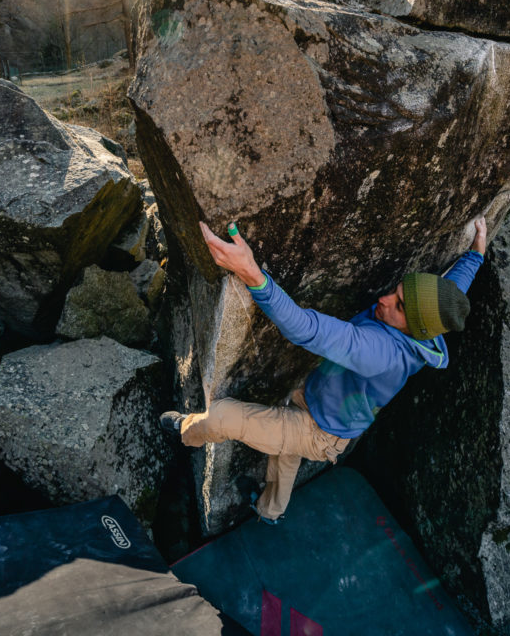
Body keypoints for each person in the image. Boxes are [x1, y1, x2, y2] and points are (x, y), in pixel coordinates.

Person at [161, 216, 488, 525]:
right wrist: (477, 252)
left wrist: (251, 273)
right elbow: (453, 290)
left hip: (320, 433)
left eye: (399, 306)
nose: (385, 299)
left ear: (416, 328)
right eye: (398, 291)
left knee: (222, 417)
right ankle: (270, 512)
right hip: (321, 406)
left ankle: (186, 431)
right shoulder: (429, 326)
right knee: (285, 458)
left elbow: (307, 329)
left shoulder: (381, 352)